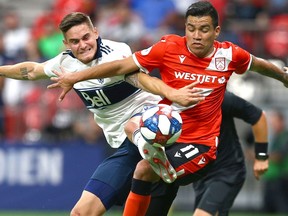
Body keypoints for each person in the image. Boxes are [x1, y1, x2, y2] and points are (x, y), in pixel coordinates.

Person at [48, 1, 288, 215]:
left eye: (203, 30)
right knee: (133, 129)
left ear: (216, 32)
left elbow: (259, 65)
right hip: (170, 138)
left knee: (144, 168)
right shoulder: (168, 47)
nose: (196, 35)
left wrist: (282, 75)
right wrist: (76, 77)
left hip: (201, 145)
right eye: (191, 29)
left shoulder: (229, 54)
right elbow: (121, 67)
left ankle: (155, 157)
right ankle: (152, 153)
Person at [0, 12, 203, 215]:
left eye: (86, 37)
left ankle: (147, 144)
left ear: (96, 33)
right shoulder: (65, 64)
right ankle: (147, 150)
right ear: (66, 43)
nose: (83, 45)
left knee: (132, 125)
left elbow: (140, 79)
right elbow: (33, 70)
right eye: (75, 41)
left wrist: (171, 93)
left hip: (152, 123)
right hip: (123, 145)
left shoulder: (116, 51)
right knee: (81, 212)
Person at [145, 91, 269, 216]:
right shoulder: (171, 104)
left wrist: (261, 157)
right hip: (201, 173)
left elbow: (258, 116)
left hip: (227, 171)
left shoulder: (220, 97)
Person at [262, 109, 288, 213]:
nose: (272, 124)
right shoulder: (276, 137)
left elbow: (279, 156)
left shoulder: (285, 137)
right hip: (270, 177)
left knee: (281, 208)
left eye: (275, 121)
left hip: (281, 178)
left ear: (281, 121)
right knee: (268, 209)